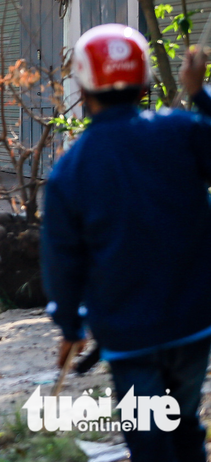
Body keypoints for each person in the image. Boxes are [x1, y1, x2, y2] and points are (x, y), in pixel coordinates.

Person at [42, 24, 211, 462]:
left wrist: (69, 325)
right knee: (186, 425)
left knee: (150, 439)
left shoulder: (70, 171)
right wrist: (200, 94)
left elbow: (64, 260)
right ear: (144, 83)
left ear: (83, 86)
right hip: (193, 322)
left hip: (128, 333)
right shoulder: (183, 132)